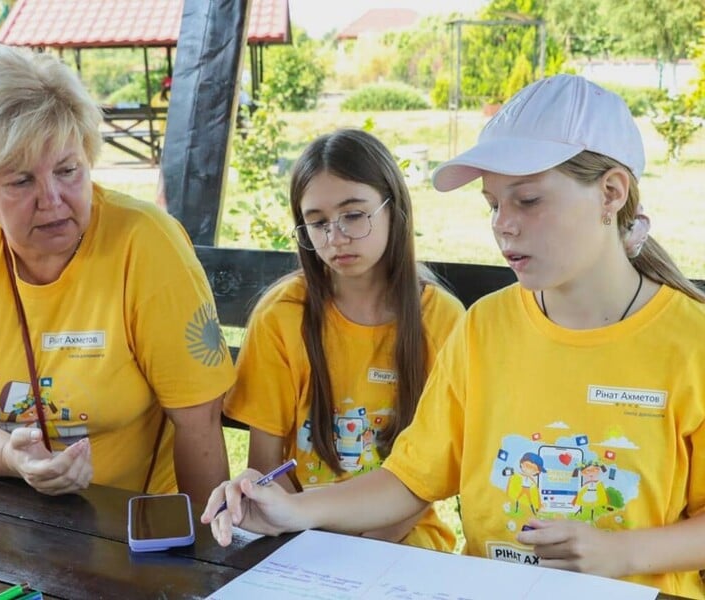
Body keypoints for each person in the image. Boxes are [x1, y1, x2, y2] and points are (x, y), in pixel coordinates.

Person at [202, 75, 705, 598]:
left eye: (527, 200)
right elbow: (410, 479)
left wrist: (624, 553)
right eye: (492, 204)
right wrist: (292, 509)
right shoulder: (485, 325)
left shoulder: (691, 341)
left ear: (611, 192)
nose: (502, 225)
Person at [0, 46, 235, 502]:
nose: (52, 199)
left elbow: (198, 423)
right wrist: (11, 455)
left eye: (67, 170)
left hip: (120, 529)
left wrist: (205, 561)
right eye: (21, 181)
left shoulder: (146, 243)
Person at [223, 128, 464, 550]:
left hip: (406, 539)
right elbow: (265, 470)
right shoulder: (282, 316)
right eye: (317, 223)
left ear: (394, 208)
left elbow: (432, 476)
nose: (335, 238)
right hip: (299, 540)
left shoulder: (441, 319)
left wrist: (365, 544)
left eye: (354, 215)